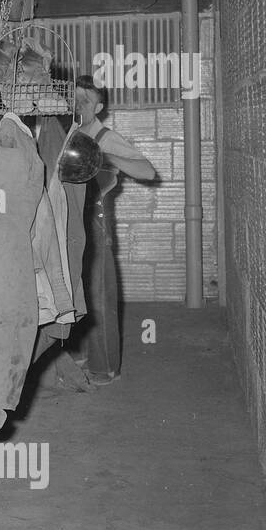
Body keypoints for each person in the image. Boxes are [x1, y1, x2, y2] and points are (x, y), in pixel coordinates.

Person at [70, 76, 157, 385]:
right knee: (74, 292)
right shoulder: (68, 134)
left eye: (87, 100)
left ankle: (105, 368)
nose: (80, 104)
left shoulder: (104, 137)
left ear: (99, 107)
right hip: (69, 224)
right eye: (76, 97)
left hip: (95, 223)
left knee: (99, 294)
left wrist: (103, 156)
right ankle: (82, 353)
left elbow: (147, 170)